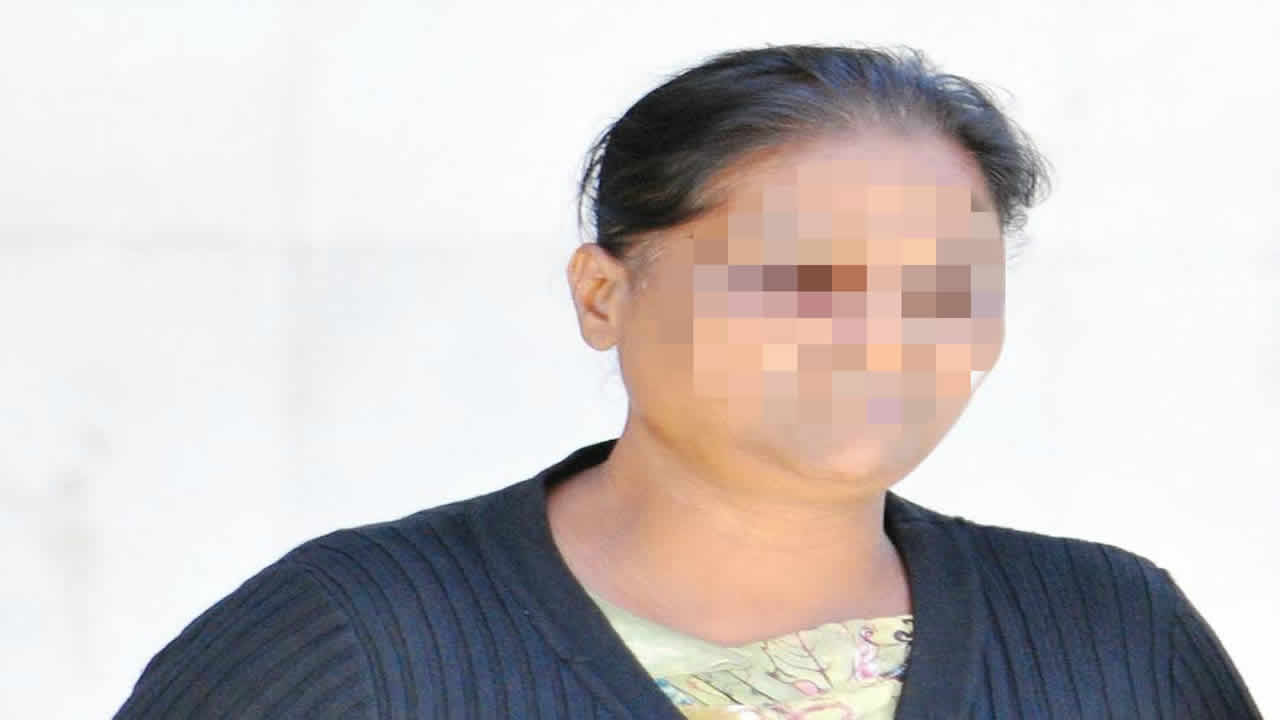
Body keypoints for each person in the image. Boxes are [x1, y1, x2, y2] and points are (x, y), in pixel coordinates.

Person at [113, 43, 1261, 719]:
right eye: (803, 274)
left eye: (941, 282)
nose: (881, 332)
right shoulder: (357, 643)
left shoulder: (1115, 642)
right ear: (603, 295)